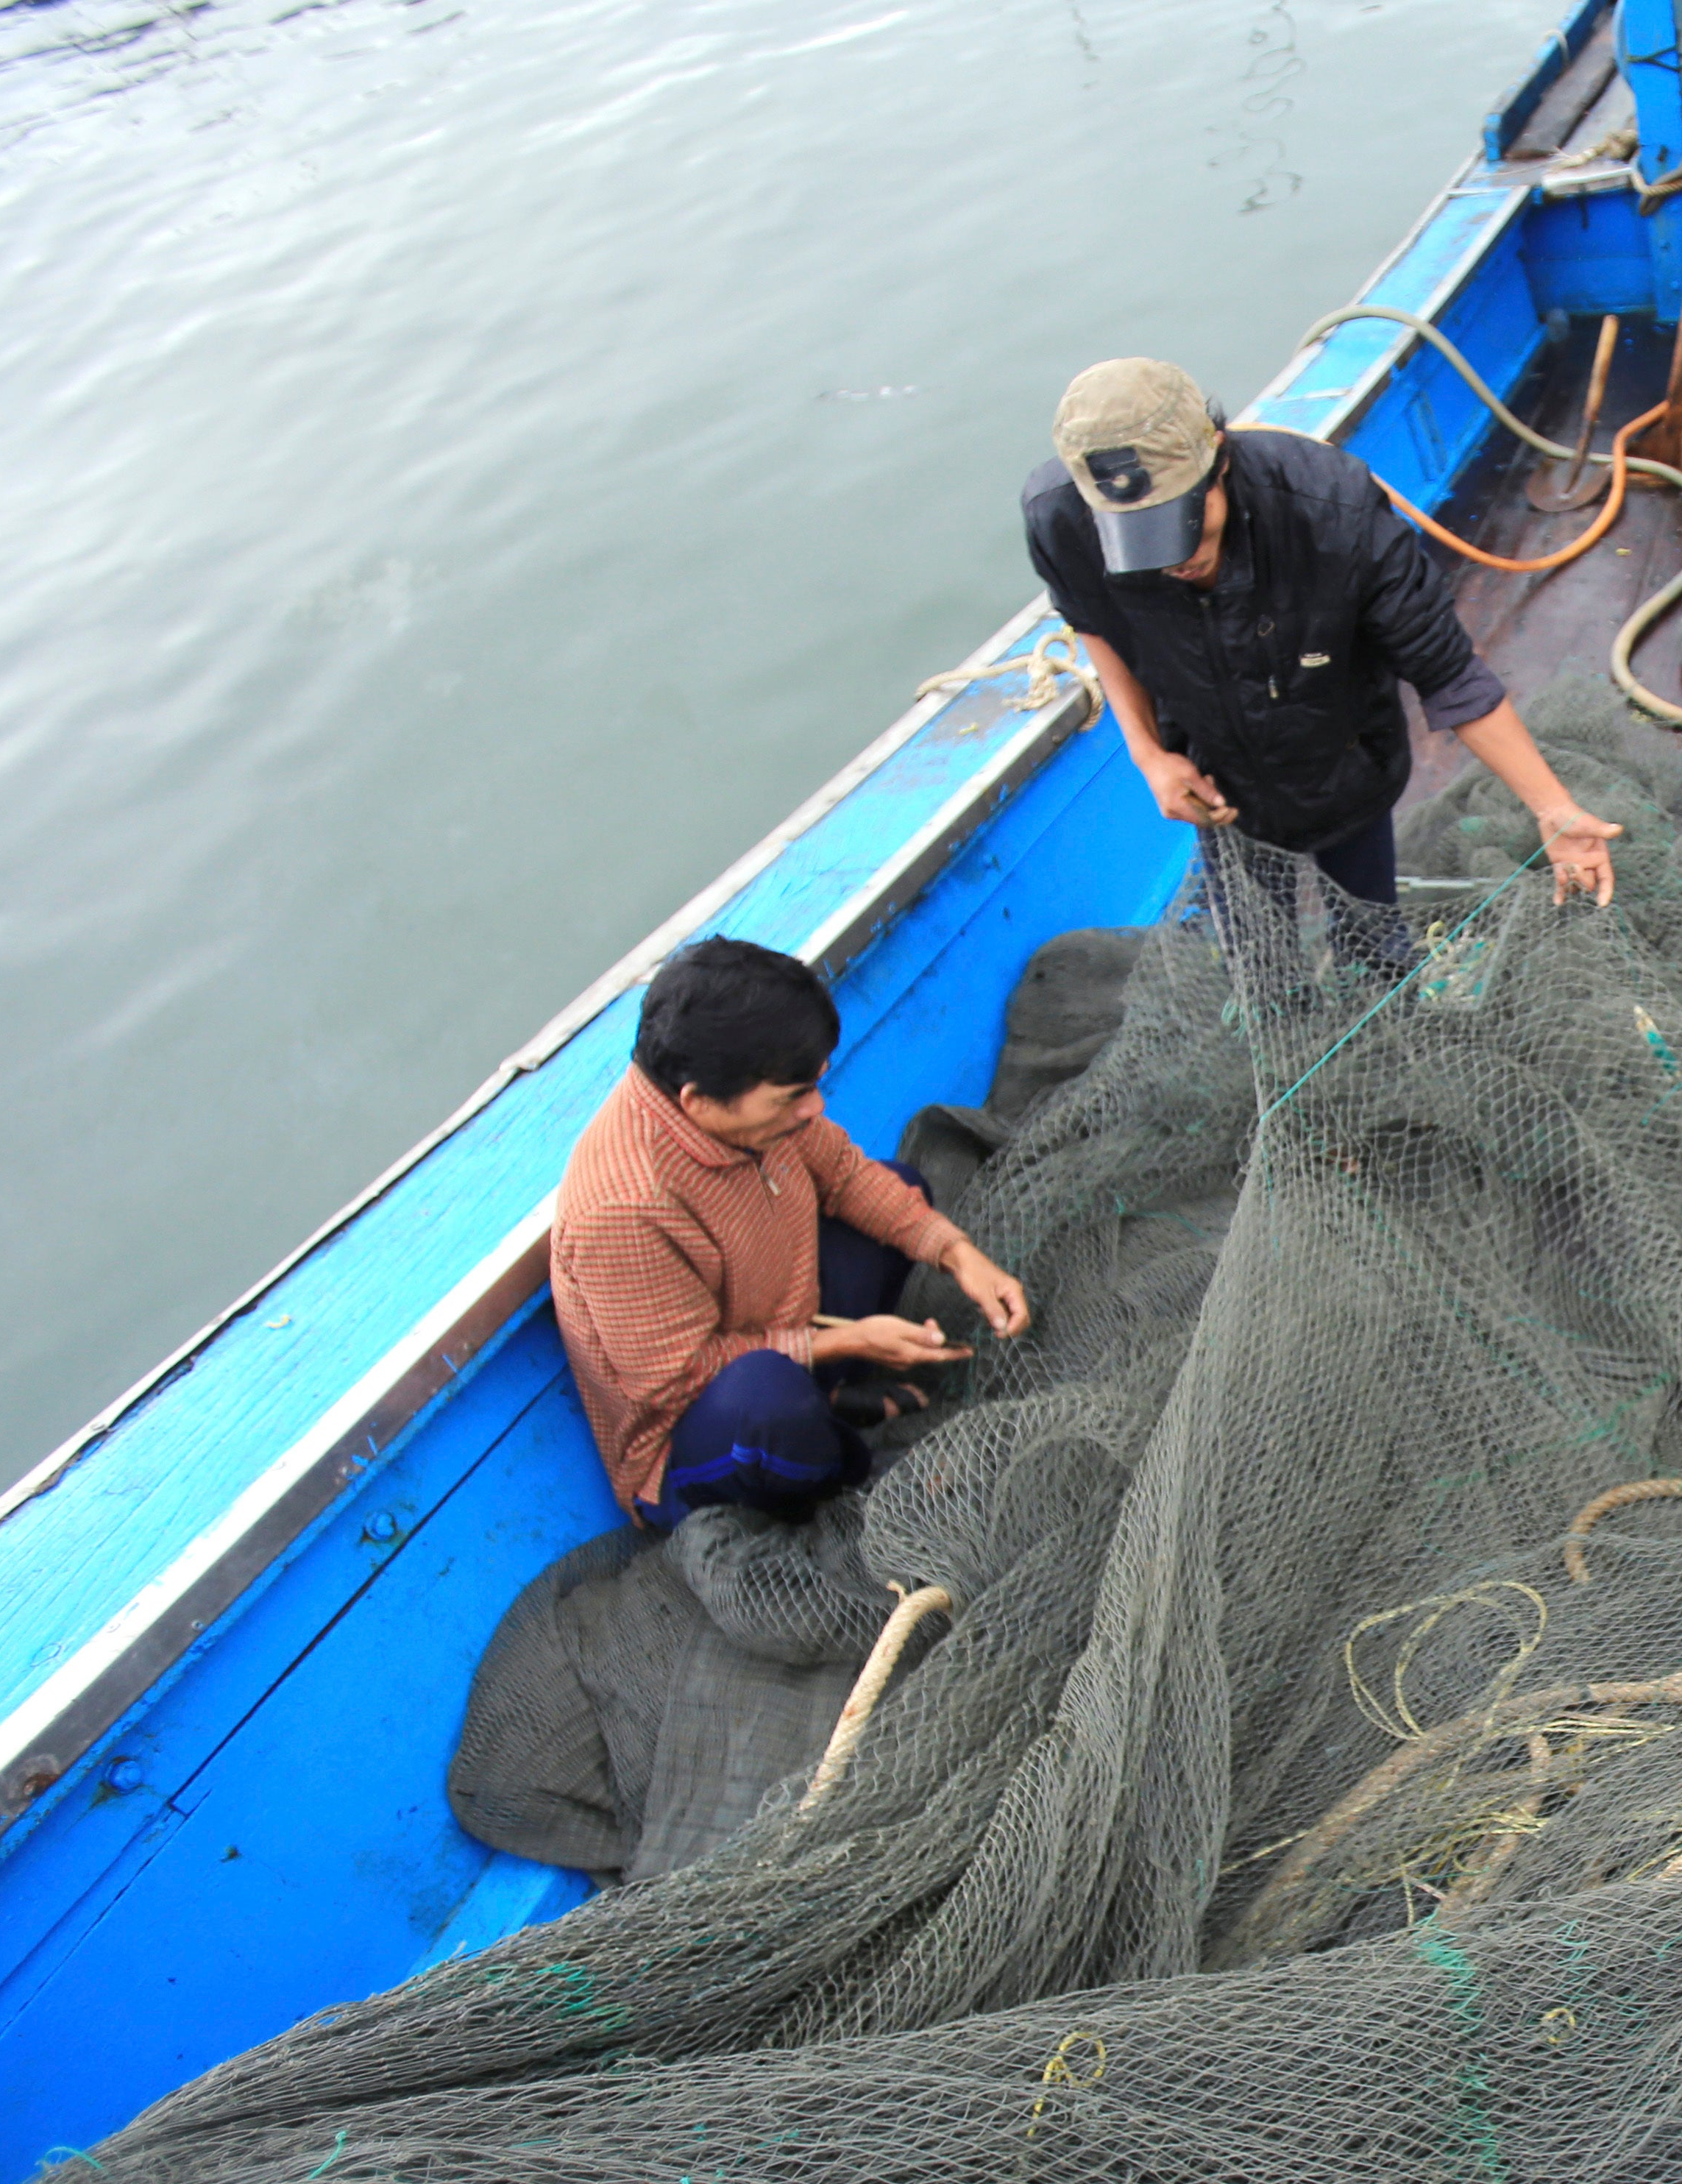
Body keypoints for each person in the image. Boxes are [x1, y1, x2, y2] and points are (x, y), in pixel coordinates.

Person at [1022, 356, 1623, 962]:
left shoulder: (1334, 508)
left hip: (1344, 755)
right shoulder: (1060, 519)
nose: (1174, 560)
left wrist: (1554, 809)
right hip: (1217, 775)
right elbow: (1093, 622)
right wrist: (1149, 754)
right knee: (1255, 956)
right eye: (1143, 541)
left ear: (1220, 458)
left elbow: (1449, 675)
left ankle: (1378, 962)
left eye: (1187, 525)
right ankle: (1273, 983)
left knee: (1374, 938)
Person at [550, 938, 1033, 1530]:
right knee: (767, 1402)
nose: (815, 1108)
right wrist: (849, 1341)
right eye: (794, 1097)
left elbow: (848, 1176)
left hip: (782, 1327)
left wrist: (958, 1254)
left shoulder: (756, 1098)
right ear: (698, 1103)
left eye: (815, 1085)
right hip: (699, 1436)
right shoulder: (622, 1209)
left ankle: (829, 1403)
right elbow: (677, 1379)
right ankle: (860, 1479)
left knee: (901, 1189)